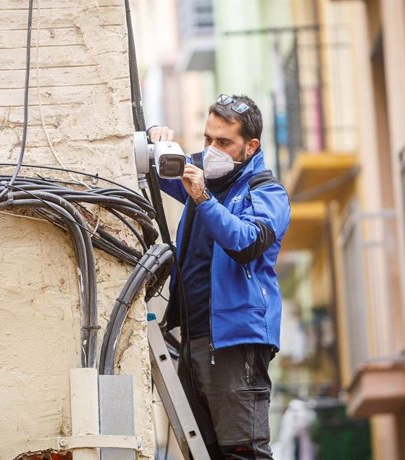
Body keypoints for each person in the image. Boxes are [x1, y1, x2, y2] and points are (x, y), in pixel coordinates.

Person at [148, 94, 291, 459]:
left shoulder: (267, 192)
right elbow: (159, 169)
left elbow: (246, 243)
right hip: (193, 338)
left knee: (243, 452)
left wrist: (202, 198)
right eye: (207, 139)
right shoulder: (202, 172)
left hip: (235, 342)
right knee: (203, 454)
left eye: (224, 142)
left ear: (250, 145)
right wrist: (155, 138)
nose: (212, 149)